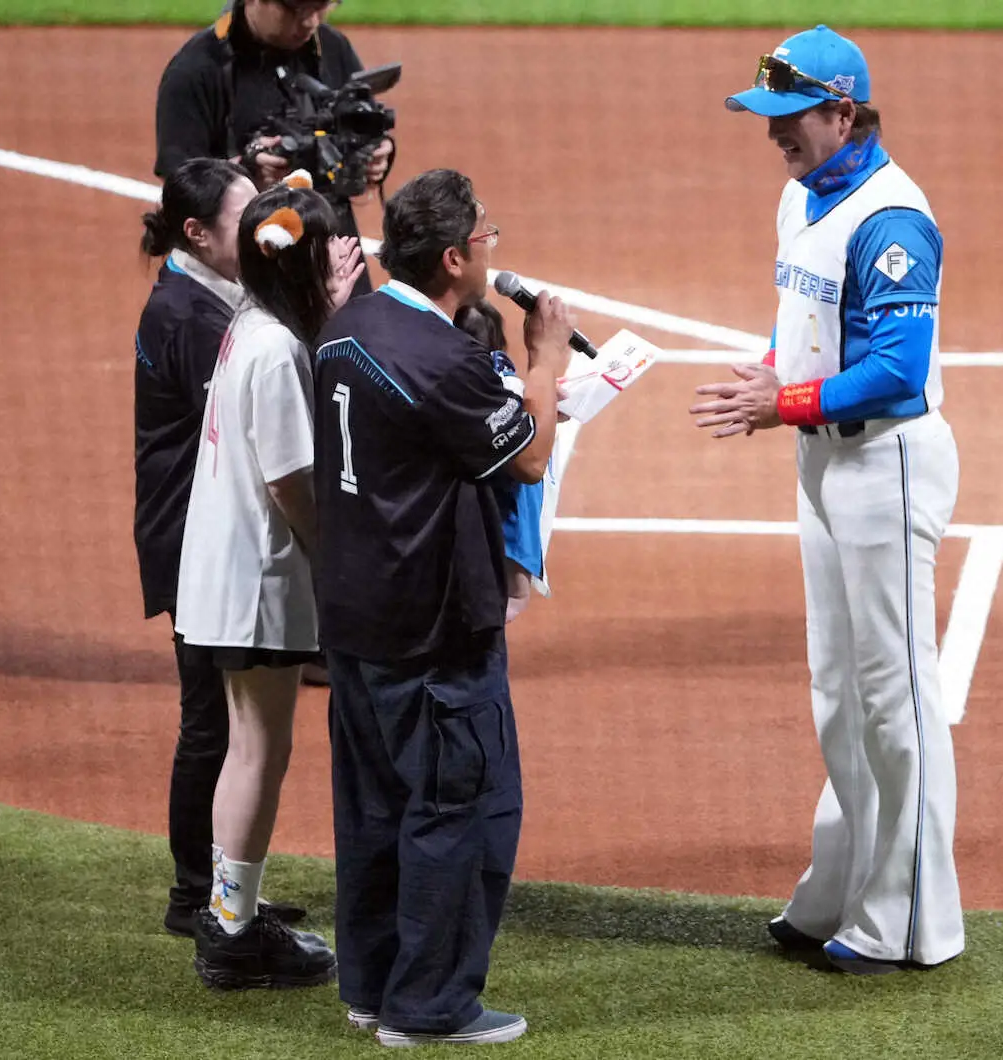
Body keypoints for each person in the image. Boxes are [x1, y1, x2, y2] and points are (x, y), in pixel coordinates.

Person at [690, 25, 964, 975]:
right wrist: (769, 373)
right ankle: (841, 887)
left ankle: (912, 920)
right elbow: (803, 322)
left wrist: (785, 400)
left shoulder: (895, 220)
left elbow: (897, 370)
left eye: (791, 118)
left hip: (885, 464)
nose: (775, 136)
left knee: (898, 700)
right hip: (821, 463)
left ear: (844, 112)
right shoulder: (802, 196)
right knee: (840, 694)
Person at [312, 169, 573, 1045]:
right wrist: (545, 361)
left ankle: (372, 984)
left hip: (353, 618)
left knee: (376, 808)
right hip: (432, 626)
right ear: (457, 258)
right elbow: (528, 457)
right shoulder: (442, 358)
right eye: (486, 232)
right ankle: (428, 1008)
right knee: (462, 809)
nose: (496, 242)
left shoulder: (348, 326)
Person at [174, 172, 364, 989]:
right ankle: (232, 933)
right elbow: (292, 480)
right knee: (260, 750)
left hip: (221, 576)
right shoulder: (280, 348)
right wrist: (337, 564)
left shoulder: (249, 322)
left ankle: (230, 919)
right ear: (303, 264)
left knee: (248, 749)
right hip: (257, 582)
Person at [134, 156, 309, 940]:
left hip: (208, 528)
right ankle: (195, 896)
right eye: (243, 220)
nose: (258, 231)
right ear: (198, 234)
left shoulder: (213, 296)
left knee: (234, 725)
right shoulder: (186, 315)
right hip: (196, 539)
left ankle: (223, 888)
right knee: (214, 722)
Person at [153, 0, 394, 297]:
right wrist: (245, 171)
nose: (310, 21)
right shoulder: (195, 71)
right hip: (249, 273)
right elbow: (179, 190)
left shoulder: (332, 47)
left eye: (322, 7)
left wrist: (373, 154)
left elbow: (362, 122)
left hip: (333, 253)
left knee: (353, 342)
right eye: (296, 9)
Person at [454, 299, 548, 623]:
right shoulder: (502, 372)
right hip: (510, 486)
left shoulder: (446, 372)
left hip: (479, 480)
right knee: (515, 596)